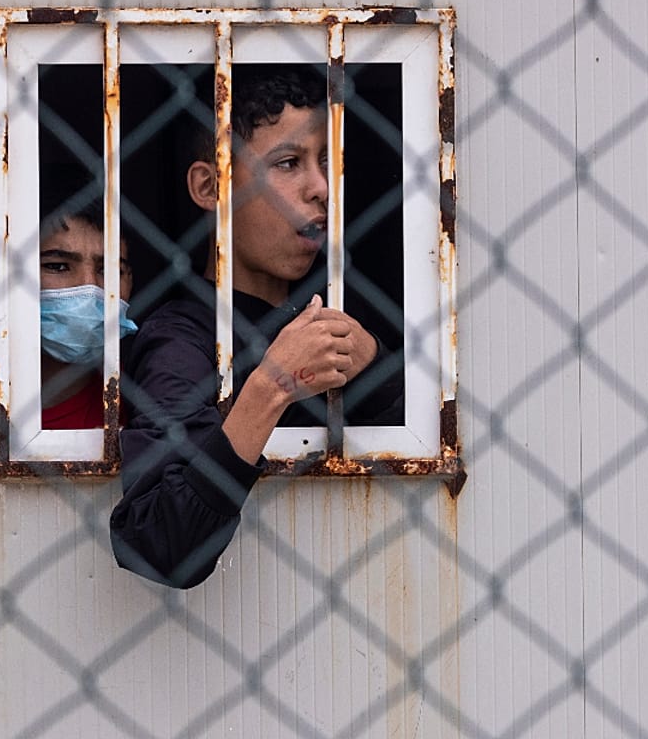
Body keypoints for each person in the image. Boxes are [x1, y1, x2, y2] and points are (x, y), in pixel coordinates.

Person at [110, 67, 402, 588]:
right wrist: (271, 386)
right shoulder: (182, 339)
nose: (322, 189)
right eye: (287, 163)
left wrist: (376, 366)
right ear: (210, 186)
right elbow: (158, 543)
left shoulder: (347, 317)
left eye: (327, 162)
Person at [38, 202, 136, 429]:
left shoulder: (143, 400)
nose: (90, 287)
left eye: (108, 270)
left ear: (129, 281)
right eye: (58, 266)